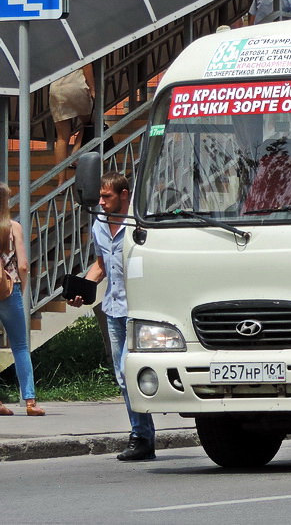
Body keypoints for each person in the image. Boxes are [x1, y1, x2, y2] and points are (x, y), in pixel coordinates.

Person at [70, 172, 156, 461]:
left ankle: (141, 436)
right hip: (113, 308)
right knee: (122, 376)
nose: (102, 202)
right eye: (101, 196)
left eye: (107, 197)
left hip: (139, 310)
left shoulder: (140, 223)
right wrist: (83, 287)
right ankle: (142, 435)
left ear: (124, 194)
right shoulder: (99, 223)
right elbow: (101, 264)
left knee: (129, 373)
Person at [0, 183, 44, 417]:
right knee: (19, 345)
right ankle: (29, 401)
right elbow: (24, 265)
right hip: (9, 289)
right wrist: (21, 287)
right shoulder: (13, 227)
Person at [49, 64, 96, 185]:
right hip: (77, 85)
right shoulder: (79, 45)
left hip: (56, 88)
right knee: (91, 122)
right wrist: (92, 88)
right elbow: (86, 65)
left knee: (62, 137)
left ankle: (61, 181)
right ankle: (76, 153)